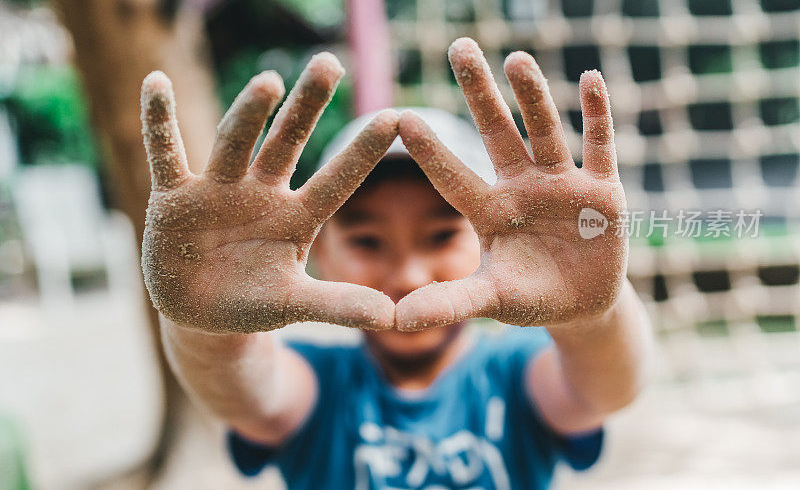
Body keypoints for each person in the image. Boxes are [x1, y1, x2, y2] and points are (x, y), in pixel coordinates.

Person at [139, 37, 652, 489]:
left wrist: (592, 316)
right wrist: (206, 331)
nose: (407, 276)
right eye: (367, 241)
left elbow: (605, 386)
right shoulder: (317, 383)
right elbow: (240, 393)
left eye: (441, 235)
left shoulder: (515, 372)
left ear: (495, 241)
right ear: (317, 250)